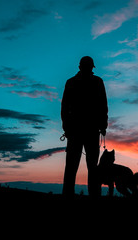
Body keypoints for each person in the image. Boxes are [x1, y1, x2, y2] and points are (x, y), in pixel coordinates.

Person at [61, 56, 108, 197]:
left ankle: (72, 194)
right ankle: (91, 195)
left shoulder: (74, 82)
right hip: (83, 129)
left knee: (80, 165)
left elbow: (102, 106)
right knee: (82, 165)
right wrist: (103, 125)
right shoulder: (95, 82)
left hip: (83, 129)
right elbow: (103, 105)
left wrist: (103, 124)